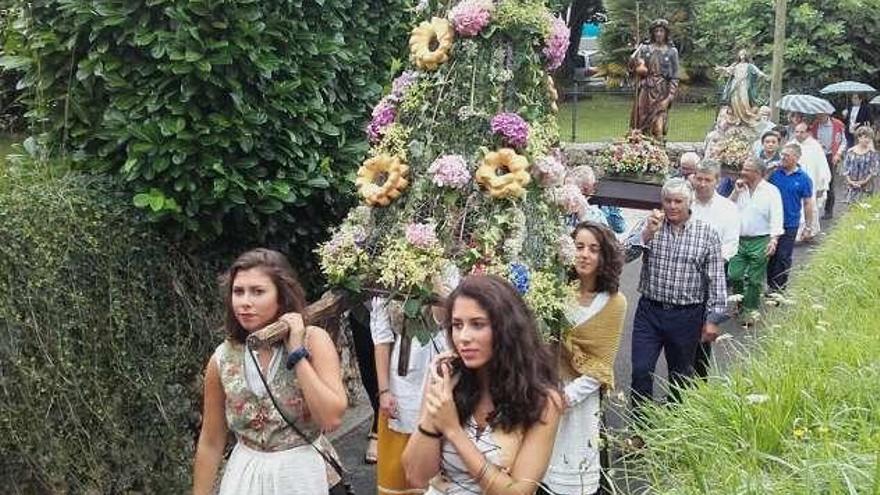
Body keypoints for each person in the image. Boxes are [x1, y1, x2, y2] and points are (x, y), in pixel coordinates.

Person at [193, 249, 347, 495]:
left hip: (302, 474)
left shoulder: (314, 341)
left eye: (258, 292)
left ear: (282, 297)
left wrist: (297, 353)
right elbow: (211, 441)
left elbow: (331, 418)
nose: (245, 302)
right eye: (238, 291)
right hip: (245, 477)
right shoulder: (222, 359)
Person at [402, 275, 563, 494]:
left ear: (506, 329)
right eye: (457, 325)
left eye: (477, 324)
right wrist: (433, 414)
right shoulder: (448, 379)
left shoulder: (542, 400)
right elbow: (416, 475)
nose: (463, 337)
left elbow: (517, 492)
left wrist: (452, 430)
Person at [624, 179, 727, 415]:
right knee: (641, 371)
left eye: (678, 201)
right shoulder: (650, 226)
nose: (672, 206)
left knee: (681, 376)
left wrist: (713, 319)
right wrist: (646, 235)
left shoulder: (707, 233)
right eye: (667, 201)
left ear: (689, 203)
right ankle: (641, 428)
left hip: (687, 316)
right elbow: (622, 257)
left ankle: (675, 428)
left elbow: (716, 279)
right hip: (650, 312)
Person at [541, 222, 627, 495]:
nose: (584, 255)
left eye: (593, 249)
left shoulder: (614, 302)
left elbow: (601, 365)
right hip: (545, 391)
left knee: (574, 469)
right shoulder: (555, 293)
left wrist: (564, 398)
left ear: (604, 256)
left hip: (580, 399)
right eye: (579, 247)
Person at [373, 267, 457, 495]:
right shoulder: (387, 275)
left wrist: (434, 273)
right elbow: (381, 338)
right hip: (402, 373)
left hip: (440, 365)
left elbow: (444, 317)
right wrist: (383, 391)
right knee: (401, 446)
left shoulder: (448, 269)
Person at [689, 160, 739, 377]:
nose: (701, 184)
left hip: (711, 277)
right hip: (682, 276)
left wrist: (710, 262)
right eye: (698, 178)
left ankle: (699, 382)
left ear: (717, 181)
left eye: (707, 180)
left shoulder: (727, 209)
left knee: (703, 332)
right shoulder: (685, 203)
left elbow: (731, 245)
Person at [727, 158, 784, 326]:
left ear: (758, 173)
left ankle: (750, 311)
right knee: (734, 274)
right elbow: (726, 208)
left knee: (754, 279)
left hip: (761, 240)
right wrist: (735, 192)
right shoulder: (740, 188)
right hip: (739, 239)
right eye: (743, 168)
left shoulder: (771, 191)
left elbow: (777, 216)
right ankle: (740, 302)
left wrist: (774, 239)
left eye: (747, 169)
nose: (742, 172)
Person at [767, 143, 816, 293]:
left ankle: (779, 288)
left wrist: (808, 226)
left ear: (796, 157)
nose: (782, 158)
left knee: (783, 256)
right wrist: (768, 170)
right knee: (771, 256)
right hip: (771, 221)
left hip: (790, 222)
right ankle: (770, 283)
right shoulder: (774, 174)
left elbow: (808, 203)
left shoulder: (803, 178)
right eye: (782, 155)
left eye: (787, 156)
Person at [629, 18, 680, 142]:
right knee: (640, 121)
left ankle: (659, 151)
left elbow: (674, 77)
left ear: (666, 33)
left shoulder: (672, 52)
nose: (658, 34)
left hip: (661, 91)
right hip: (646, 90)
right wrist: (635, 62)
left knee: (658, 125)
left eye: (661, 31)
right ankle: (641, 150)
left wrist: (669, 98)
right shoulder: (645, 49)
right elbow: (633, 67)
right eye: (656, 31)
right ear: (652, 33)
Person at [791, 122, 830, 238]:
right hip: (794, 181)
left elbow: (822, 166)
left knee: (810, 206)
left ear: (808, 133)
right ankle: (796, 234)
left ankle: (809, 231)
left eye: (802, 132)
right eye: (796, 132)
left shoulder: (815, 146)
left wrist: (822, 184)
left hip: (810, 182)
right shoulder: (791, 145)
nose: (798, 134)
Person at [715, 49, 769, 126]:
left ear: (746, 56)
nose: (742, 56)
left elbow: (758, 72)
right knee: (735, 101)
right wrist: (721, 69)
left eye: (743, 55)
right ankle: (737, 117)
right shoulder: (735, 65)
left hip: (744, 85)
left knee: (744, 101)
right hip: (735, 85)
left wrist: (763, 75)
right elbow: (728, 70)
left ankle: (746, 115)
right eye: (740, 55)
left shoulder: (749, 66)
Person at [809, 112, 846, 219]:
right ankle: (814, 208)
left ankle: (828, 210)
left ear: (827, 114)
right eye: (817, 115)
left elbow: (843, 141)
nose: (819, 117)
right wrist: (816, 143)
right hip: (818, 155)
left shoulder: (838, 124)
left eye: (821, 115)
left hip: (831, 155)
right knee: (815, 180)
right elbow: (811, 138)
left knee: (830, 182)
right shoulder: (815, 125)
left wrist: (838, 154)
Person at [843, 126, 879, 204]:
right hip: (851, 186)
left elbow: (874, 170)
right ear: (859, 137)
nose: (867, 140)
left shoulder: (872, 153)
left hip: (866, 186)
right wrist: (850, 181)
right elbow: (845, 168)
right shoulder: (850, 151)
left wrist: (863, 182)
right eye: (865, 137)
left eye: (869, 138)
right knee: (851, 209)